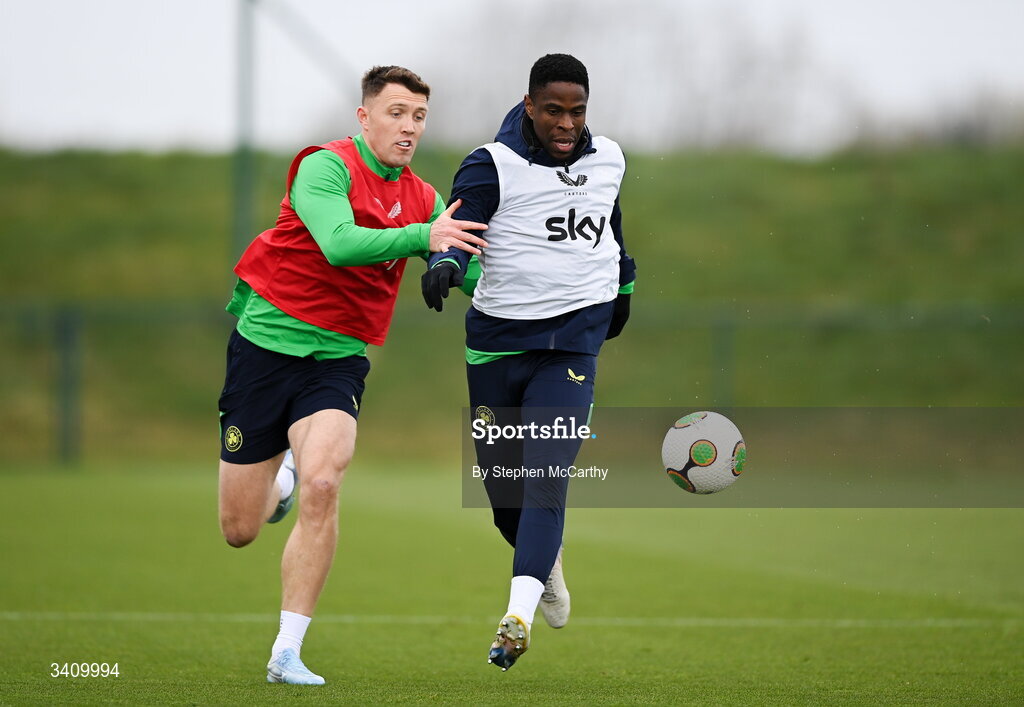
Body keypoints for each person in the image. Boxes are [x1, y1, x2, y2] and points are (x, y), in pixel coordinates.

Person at [217, 65, 487, 685]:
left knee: (326, 483)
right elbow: (339, 242)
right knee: (239, 530)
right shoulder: (324, 167)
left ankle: (287, 650)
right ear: (364, 118)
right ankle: (276, 483)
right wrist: (426, 237)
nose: (408, 126)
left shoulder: (423, 197)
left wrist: (544, 294)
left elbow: (469, 271)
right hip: (265, 350)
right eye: (395, 113)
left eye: (418, 116)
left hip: (337, 361)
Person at [421, 53, 635, 670]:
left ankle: (516, 615)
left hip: (570, 346)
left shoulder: (609, 159)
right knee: (504, 498)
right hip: (497, 348)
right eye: (554, 111)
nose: (567, 123)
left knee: (546, 477)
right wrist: (445, 266)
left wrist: (623, 292)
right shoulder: (493, 164)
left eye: (577, 111)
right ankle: (546, 565)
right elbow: (461, 230)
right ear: (530, 106)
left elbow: (612, 232)